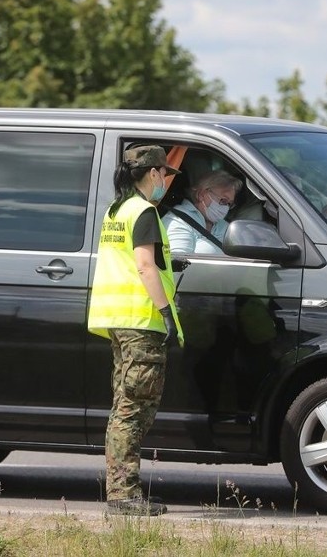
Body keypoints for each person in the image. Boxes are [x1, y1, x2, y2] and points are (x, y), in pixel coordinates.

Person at [87, 145, 185, 516]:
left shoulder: (117, 211)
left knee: (124, 406)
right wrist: (165, 312)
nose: (165, 182)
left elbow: (132, 262)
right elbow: (144, 267)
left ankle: (121, 492)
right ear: (154, 173)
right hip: (140, 322)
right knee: (133, 409)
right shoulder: (144, 211)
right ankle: (123, 496)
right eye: (164, 174)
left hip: (118, 320)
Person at [162, 169, 242, 254]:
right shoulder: (178, 220)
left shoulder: (224, 225)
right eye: (223, 200)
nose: (225, 208)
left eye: (229, 204)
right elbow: (178, 263)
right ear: (201, 194)